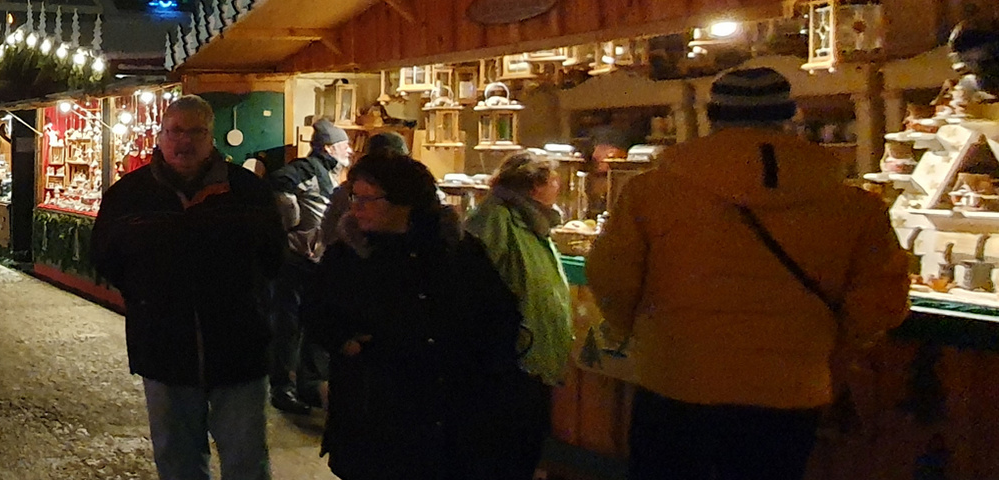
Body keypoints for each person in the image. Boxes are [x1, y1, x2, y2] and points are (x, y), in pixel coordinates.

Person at [587, 66, 911, 480]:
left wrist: (640, 334)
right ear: (789, 117)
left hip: (677, 380)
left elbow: (610, 277)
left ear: (712, 117)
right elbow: (881, 303)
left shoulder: (650, 192)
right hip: (791, 391)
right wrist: (830, 350)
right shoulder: (856, 205)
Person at [93, 96, 285, 480]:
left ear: (211, 136)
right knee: (177, 458)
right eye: (175, 131)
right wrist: (149, 300)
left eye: (195, 131)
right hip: (164, 349)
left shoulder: (247, 192)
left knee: (246, 459)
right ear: (161, 136)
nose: (184, 141)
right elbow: (106, 258)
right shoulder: (129, 195)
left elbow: (273, 258)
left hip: (238, 347)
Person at [305, 153, 522, 480]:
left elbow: (500, 312)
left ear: (405, 202)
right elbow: (315, 312)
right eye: (355, 197)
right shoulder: (347, 255)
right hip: (373, 413)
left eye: (368, 199)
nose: (356, 208)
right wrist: (348, 344)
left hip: (449, 416)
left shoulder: (457, 251)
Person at [463, 150, 574, 480]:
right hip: (510, 363)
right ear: (536, 185)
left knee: (525, 447)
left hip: (532, 359)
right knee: (506, 452)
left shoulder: (531, 220)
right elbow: (476, 287)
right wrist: (510, 338)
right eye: (554, 180)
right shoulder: (496, 220)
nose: (558, 186)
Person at [265, 119, 349, 415]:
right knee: (288, 325)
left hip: (317, 263)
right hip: (297, 259)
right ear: (329, 148)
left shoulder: (330, 174)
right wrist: (293, 224)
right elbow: (279, 186)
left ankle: (307, 384)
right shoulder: (306, 170)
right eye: (344, 146)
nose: (349, 151)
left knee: (311, 326)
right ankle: (282, 387)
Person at [319, 132, 408, 256]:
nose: (357, 207)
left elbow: (327, 233)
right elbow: (328, 234)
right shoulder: (347, 192)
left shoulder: (415, 192)